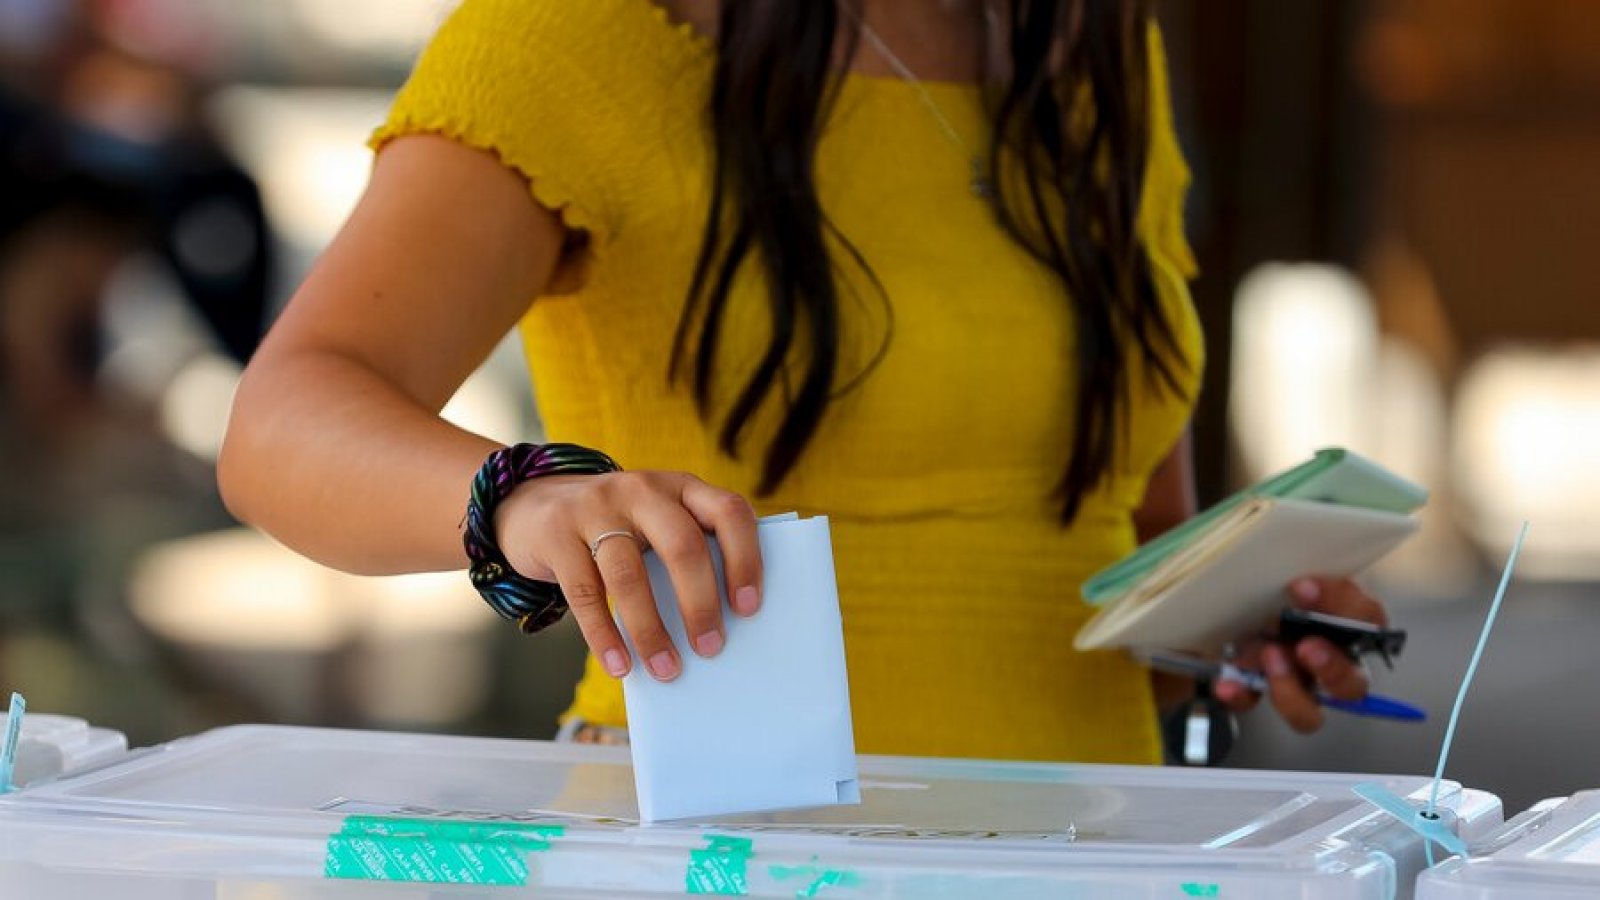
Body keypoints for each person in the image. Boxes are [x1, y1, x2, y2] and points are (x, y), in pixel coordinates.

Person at [219, 0, 1388, 764]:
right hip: (725, 849)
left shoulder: (1086, 42)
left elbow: (1113, 531)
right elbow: (283, 420)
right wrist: (529, 501)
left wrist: (1230, 613)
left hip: (1097, 849)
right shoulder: (571, 36)